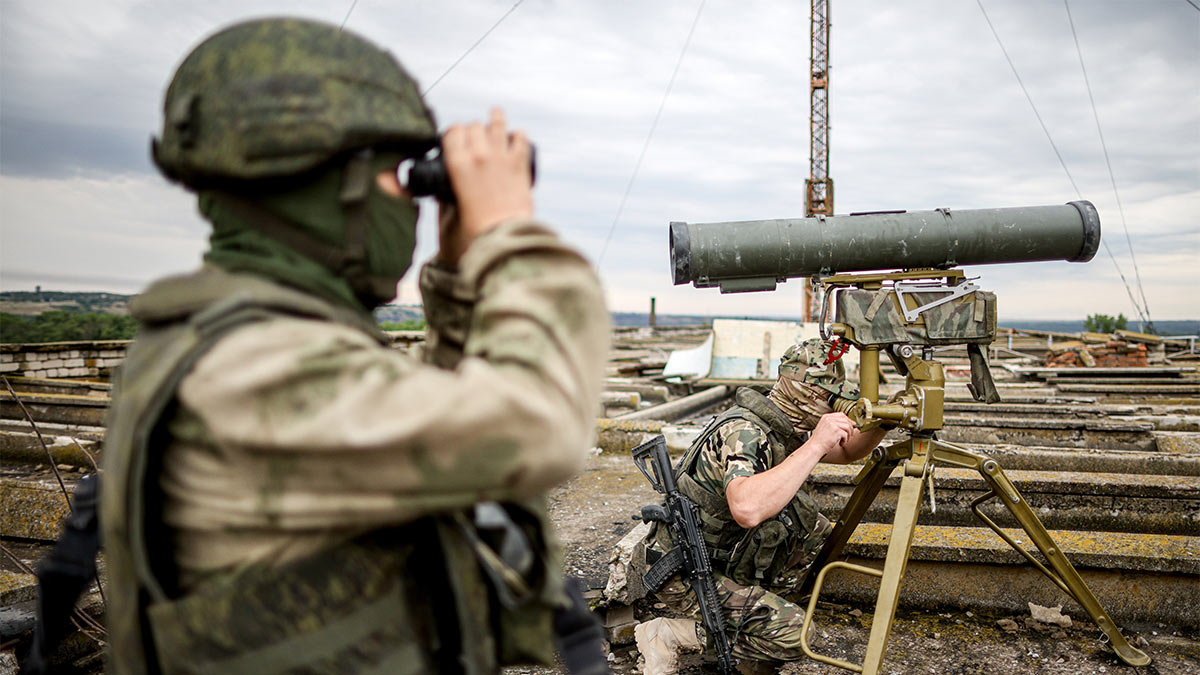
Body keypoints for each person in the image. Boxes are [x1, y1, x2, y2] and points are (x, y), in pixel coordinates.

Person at [99, 17, 610, 674]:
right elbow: (536, 426)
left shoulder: (233, 340)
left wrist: (457, 282)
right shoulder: (251, 368)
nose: (415, 200)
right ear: (323, 181)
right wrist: (512, 234)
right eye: (397, 173)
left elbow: (438, 433)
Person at [634, 338, 888, 674]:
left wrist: (885, 421)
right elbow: (747, 507)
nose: (836, 405)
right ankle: (670, 633)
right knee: (797, 636)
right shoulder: (746, 432)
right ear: (807, 393)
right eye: (831, 396)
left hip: (719, 556)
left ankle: (755, 635)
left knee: (811, 526)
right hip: (682, 575)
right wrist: (815, 444)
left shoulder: (780, 424)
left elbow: (848, 451)